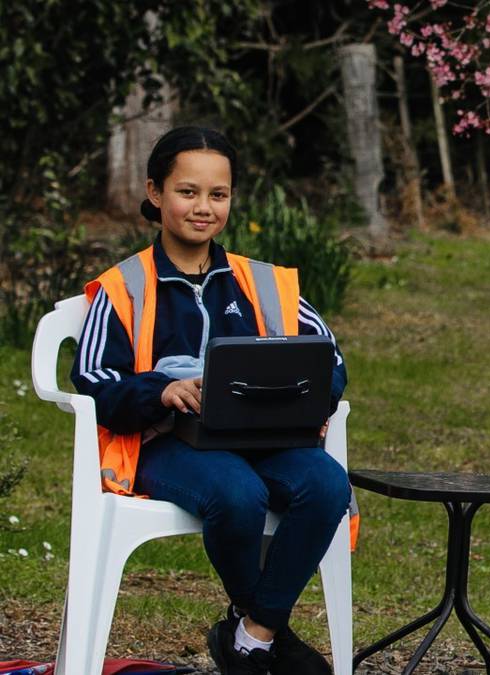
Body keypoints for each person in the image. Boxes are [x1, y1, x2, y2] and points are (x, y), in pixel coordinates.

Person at [71, 126, 353, 675]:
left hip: (265, 436)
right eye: (187, 191)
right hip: (172, 443)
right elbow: (94, 379)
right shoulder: (122, 286)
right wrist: (162, 389)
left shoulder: (264, 283)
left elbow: (330, 362)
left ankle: (254, 634)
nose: (204, 208)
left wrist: (299, 397)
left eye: (218, 195)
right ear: (155, 192)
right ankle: (265, 631)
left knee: (326, 484)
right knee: (237, 493)